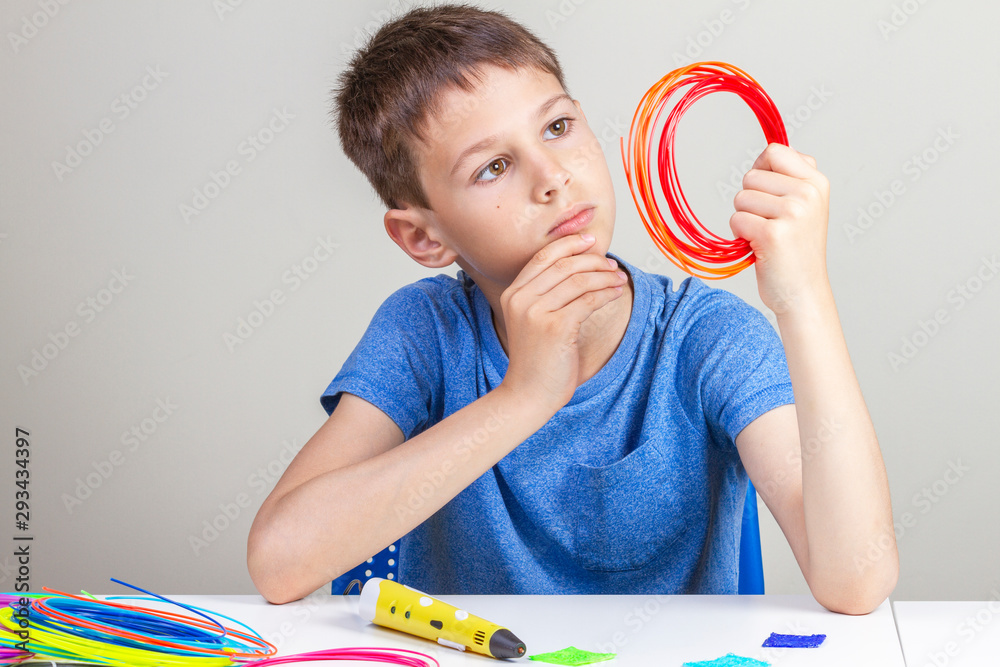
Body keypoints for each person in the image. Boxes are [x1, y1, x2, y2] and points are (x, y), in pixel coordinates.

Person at [247, 4, 898, 613]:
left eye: (557, 127)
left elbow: (857, 577)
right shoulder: (424, 332)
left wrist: (804, 293)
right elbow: (279, 562)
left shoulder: (706, 338)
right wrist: (523, 396)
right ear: (424, 236)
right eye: (494, 166)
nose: (552, 175)